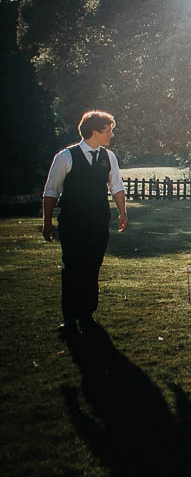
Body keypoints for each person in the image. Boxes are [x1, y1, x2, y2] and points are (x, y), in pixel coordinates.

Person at [41, 110, 129, 336]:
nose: (111, 135)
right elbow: (51, 191)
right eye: (109, 131)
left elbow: (116, 187)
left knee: (92, 267)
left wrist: (122, 213)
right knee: (72, 268)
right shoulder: (65, 157)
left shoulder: (108, 157)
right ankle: (69, 319)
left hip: (98, 222)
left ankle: (87, 315)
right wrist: (47, 222)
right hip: (72, 222)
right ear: (95, 131)